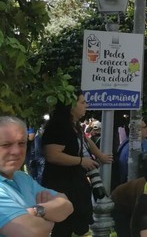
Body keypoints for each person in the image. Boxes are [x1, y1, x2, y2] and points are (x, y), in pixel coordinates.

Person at [42, 94, 113, 237]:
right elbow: (53, 155)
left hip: (75, 186)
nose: (86, 105)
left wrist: (100, 156)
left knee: (75, 225)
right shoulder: (58, 126)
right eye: (82, 102)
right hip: (61, 186)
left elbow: (86, 141)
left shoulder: (74, 125)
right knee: (62, 228)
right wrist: (81, 161)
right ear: (70, 107)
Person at [0, 116, 73, 237]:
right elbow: (30, 231)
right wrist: (49, 220)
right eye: (6, 145)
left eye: (22, 143)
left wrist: (36, 211)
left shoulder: (22, 177)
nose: (17, 151)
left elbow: (67, 205)